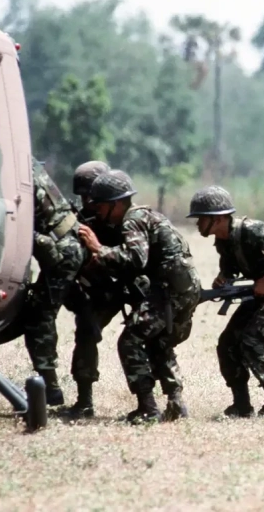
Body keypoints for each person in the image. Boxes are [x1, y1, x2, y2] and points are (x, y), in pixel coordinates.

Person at [79, 169, 201, 423]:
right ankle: (176, 403)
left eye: (100, 205)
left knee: (130, 341)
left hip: (169, 291)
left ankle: (148, 407)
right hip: (182, 288)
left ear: (115, 204)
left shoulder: (131, 220)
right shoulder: (146, 215)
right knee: (158, 342)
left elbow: (135, 259)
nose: (97, 211)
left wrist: (98, 249)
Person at [187, 185, 264, 418]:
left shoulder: (254, 231)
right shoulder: (223, 240)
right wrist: (224, 278)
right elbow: (230, 265)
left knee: (253, 340)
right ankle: (241, 405)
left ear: (218, 218)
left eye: (201, 218)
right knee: (227, 344)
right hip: (259, 293)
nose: (197, 224)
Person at [62, 160, 124, 418]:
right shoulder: (79, 218)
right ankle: (84, 400)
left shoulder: (124, 217)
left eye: (91, 195)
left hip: (122, 284)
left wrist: (97, 247)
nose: (87, 201)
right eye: (83, 196)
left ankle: (160, 399)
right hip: (93, 290)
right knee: (86, 332)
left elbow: (133, 257)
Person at [25, 158, 87, 406]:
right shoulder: (24, 163)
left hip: (61, 249)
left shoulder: (11, 167)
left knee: (38, 317)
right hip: (67, 243)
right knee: (74, 305)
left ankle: (50, 389)